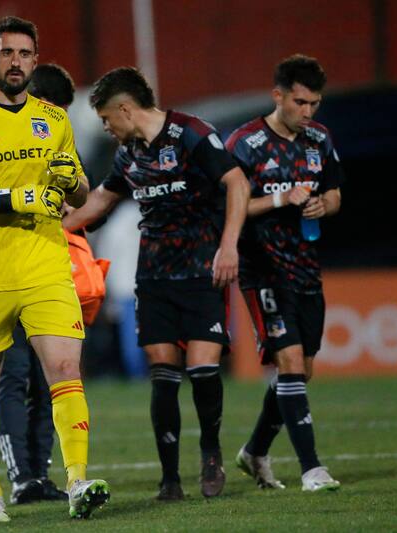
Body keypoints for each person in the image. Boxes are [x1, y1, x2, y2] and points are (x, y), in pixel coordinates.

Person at [0, 17, 110, 522]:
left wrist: (71, 179)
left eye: (24, 54)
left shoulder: (53, 120)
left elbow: (78, 190)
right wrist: (7, 198)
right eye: (6, 53)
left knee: (65, 372)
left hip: (46, 264)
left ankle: (77, 482)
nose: (15, 62)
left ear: (36, 60)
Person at [63, 67, 250, 500]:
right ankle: (169, 478)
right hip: (153, 277)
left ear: (126, 108)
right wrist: (50, 230)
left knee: (203, 371)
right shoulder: (129, 154)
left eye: (108, 119)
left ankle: (210, 452)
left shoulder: (192, 134)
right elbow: (102, 200)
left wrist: (229, 245)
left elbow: (236, 181)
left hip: (203, 270)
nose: (107, 129)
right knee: (163, 375)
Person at [225, 54, 343, 492]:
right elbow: (228, 206)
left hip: (306, 269)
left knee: (302, 370)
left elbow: (335, 195)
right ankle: (312, 468)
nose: (308, 112)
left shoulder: (320, 140)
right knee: (289, 362)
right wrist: (279, 200)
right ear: (278, 96)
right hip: (262, 270)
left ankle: (255, 451)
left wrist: (321, 205)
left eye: (314, 104)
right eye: (300, 102)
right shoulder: (244, 142)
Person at [0, 63, 81, 506]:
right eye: (57, 109)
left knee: (53, 377)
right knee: (13, 377)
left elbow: (76, 195)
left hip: (45, 271)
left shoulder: (54, 142)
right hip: (1, 274)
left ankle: (40, 474)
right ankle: (20, 476)